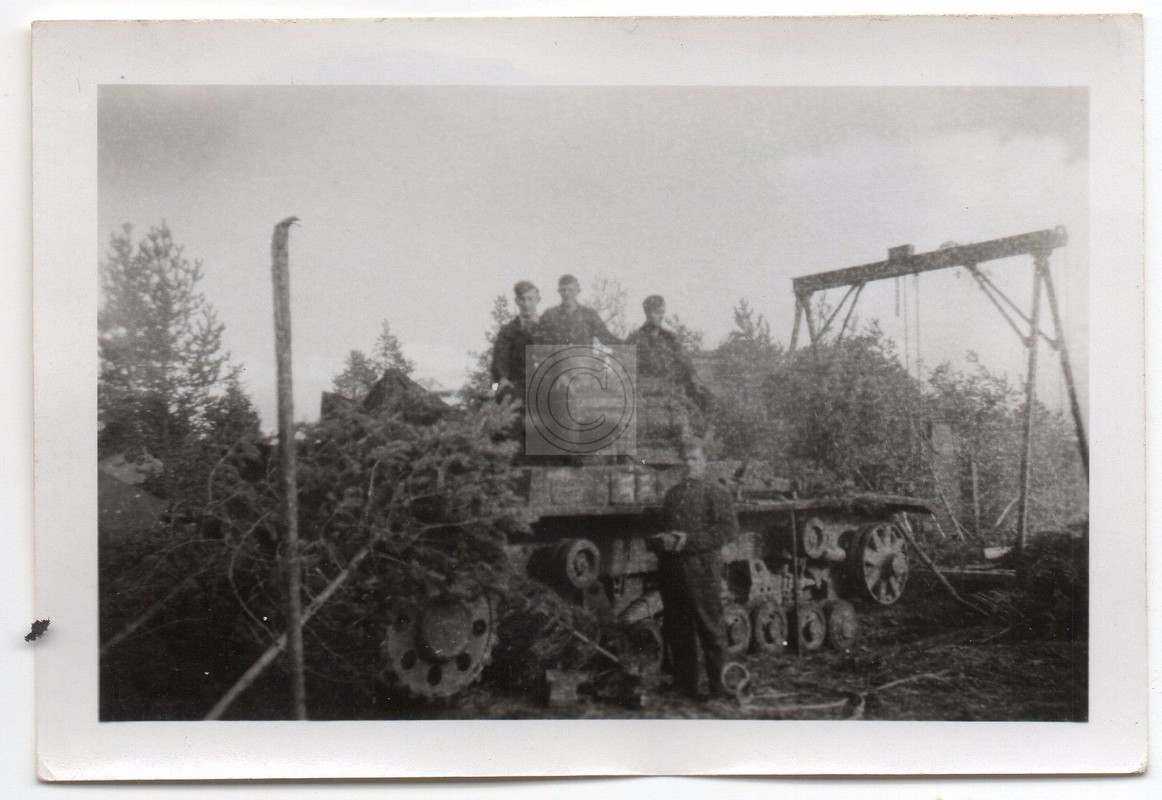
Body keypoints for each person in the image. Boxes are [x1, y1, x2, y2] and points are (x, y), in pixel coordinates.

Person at [650, 437, 737, 699]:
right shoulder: (673, 494)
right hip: (673, 570)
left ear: (705, 461)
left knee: (711, 628)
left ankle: (719, 689)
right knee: (678, 627)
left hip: (702, 569)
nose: (689, 465)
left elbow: (728, 530)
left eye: (695, 459)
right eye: (685, 460)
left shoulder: (716, 492)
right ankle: (684, 684)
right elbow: (666, 526)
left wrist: (690, 541)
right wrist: (660, 539)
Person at [535, 274, 622, 347]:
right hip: (557, 364)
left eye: (570, 290)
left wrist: (630, 344)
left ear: (578, 291)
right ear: (559, 292)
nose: (567, 294)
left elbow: (607, 338)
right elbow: (539, 343)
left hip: (583, 364)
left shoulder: (589, 315)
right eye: (563, 290)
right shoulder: (549, 315)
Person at [489, 280, 540, 403]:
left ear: (538, 299)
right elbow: (499, 360)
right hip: (518, 388)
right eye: (522, 299)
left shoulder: (549, 328)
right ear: (517, 301)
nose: (526, 304)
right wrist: (502, 380)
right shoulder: (507, 331)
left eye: (530, 299)